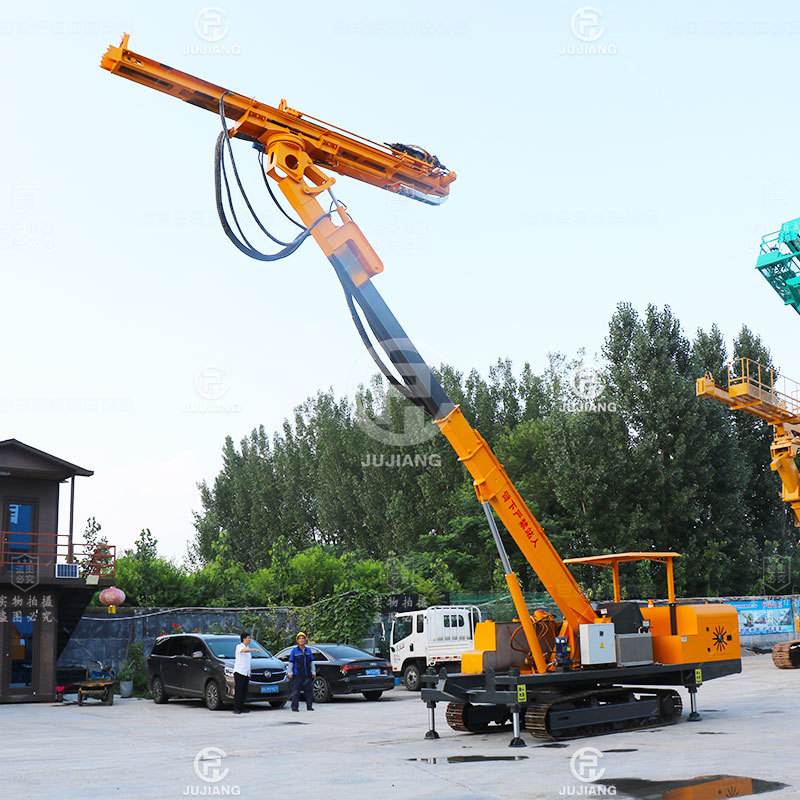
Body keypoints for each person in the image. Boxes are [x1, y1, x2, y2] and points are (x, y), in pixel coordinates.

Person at [233, 632, 263, 714]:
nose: (249, 640)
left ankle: (241, 706)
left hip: (246, 672)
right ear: (244, 639)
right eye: (248, 638)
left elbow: (248, 661)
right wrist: (255, 649)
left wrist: (250, 671)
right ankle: (236, 708)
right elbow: (244, 651)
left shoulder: (248, 648)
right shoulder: (239, 646)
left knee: (244, 691)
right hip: (239, 671)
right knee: (239, 691)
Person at [287, 631, 316, 712]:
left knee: (308, 691)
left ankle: (309, 706)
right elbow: (291, 662)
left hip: (307, 674)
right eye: (300, 638)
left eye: (303, 638)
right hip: (297, 675)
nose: (301, 640)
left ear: (305, 640)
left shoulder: (308, 650)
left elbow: (311, 662)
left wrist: (313, 672)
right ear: (297, 640)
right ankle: (294, 707)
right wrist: (290, 672)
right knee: (296, 692)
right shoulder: (294, 651)